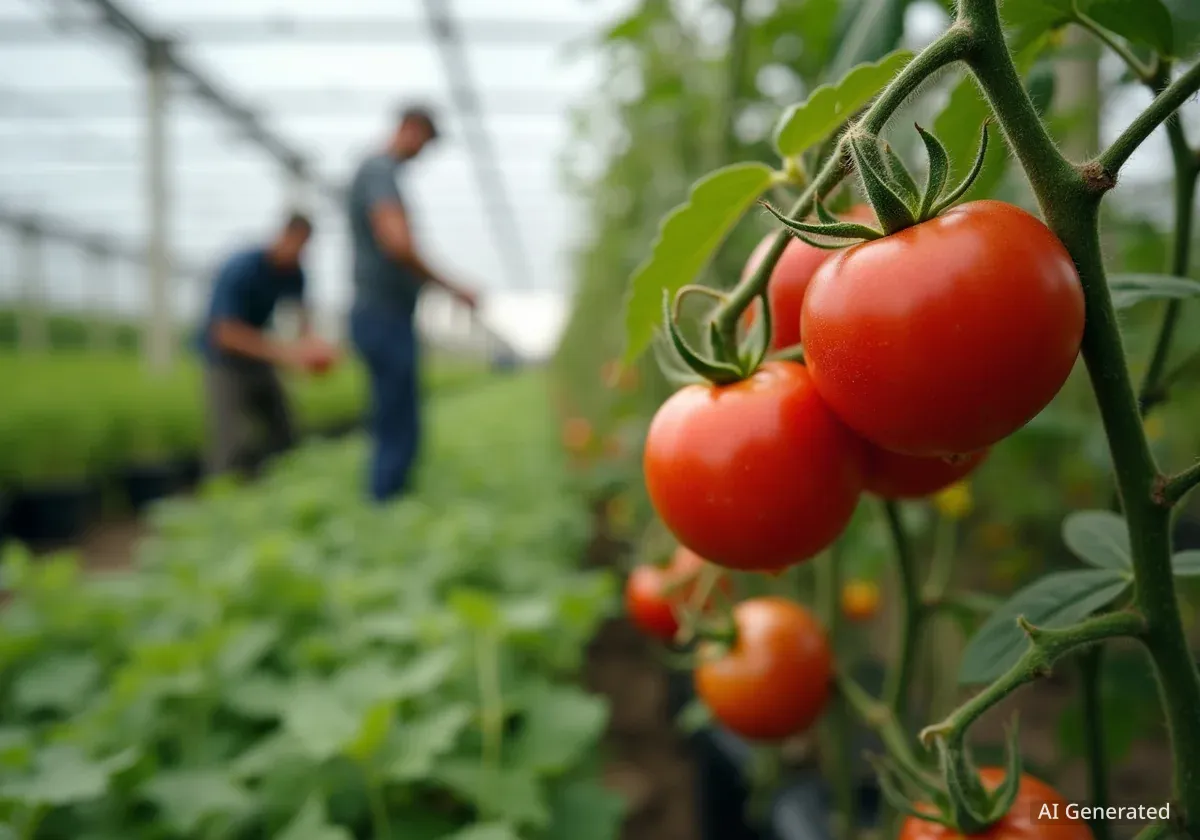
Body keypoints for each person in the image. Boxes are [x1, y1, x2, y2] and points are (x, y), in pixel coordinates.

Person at [347, 105, 478, 502]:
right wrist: (451, 286)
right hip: (382, 314)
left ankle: (390, 500)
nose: (422, 154)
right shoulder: (379, 171)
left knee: (398, 415)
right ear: (409, 128)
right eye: (424, 142)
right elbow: (397, 243)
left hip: (383, 313)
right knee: (396, 419)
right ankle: (385, 502)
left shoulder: (379, 173)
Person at [197, 212, 335, 478]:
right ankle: (222, 496)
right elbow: (225, 334)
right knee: (231, 440)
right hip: (224, 361)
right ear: (284, 235)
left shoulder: (294, 274)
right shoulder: (242, 268)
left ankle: (275, 487)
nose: (300, 253)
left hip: (259, 358)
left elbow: (303, 320)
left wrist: (316, 348)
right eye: (298, 245)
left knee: (282, 428)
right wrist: (286, 353)